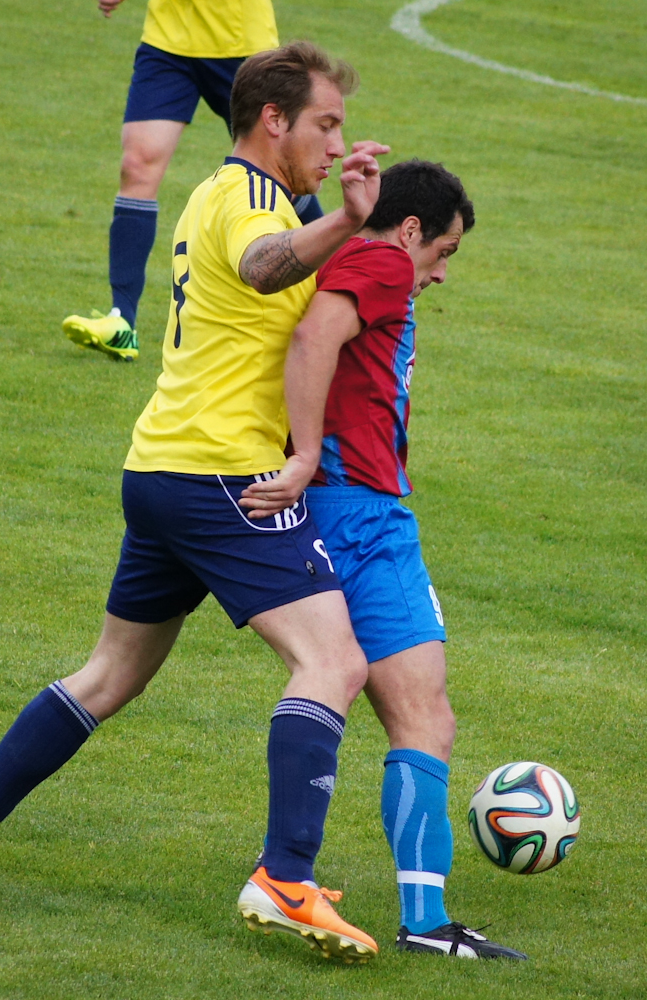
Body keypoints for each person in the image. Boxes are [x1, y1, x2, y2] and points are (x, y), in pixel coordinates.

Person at [0, 42, 389, 964]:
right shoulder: (251, 202)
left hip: (161, 467)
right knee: (332, 662)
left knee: (108, 676)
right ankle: (284, 876)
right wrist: (347, 222)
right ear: (272, 120)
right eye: (325, 125)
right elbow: (267, 266)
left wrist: (348, 222)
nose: (336, 145)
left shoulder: (216, 192)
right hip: (224, 478)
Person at [238, 159, 528, 959]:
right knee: (423, 718)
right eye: (443, 252)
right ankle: (421, 922)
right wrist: (306, 457)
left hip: (330, 508)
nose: (439, 273)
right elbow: (312, 338)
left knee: (121, 669)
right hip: (362, 516)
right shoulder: (383, 263)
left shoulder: (340, 254)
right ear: (409, 231)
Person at [62, 0, 323, 361]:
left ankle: (351, 270)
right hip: (168, 39)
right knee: (137, 164)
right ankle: (122, 319)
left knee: (282, 168)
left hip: (240, 40)